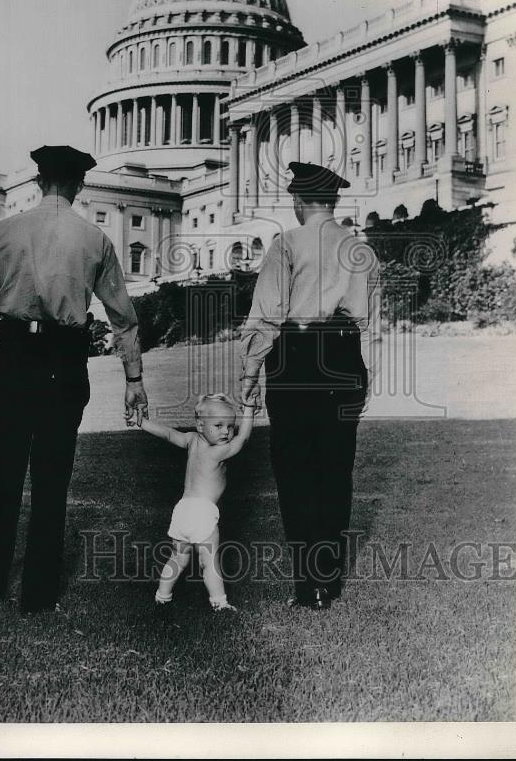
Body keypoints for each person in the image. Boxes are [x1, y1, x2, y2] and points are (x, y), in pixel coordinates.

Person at [0, 144, 148, 613]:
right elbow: (123, 317)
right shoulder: (95, 239)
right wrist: (134, 377)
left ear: (39, 181)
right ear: (80, 185)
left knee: (0, 474)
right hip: (64, 359)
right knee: (51, 475)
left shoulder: (4, 231)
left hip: (14, 356)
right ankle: (39, 594)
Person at [239, 161, 381, 611]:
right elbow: (370, 324)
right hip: (344, 358)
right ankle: (327, 580)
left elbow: (266, 315)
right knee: (335, 469)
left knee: (294, 468)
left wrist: (250, 373)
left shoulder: (286, 243)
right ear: (334, 201)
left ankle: (308, 584)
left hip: (296, 357)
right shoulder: (361, 249)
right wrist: (366, 377)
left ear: (298, 202)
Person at [133, 394, 255, 612]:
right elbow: (244, 438)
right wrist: (249, 408)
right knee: (209, 562)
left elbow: (169, 434)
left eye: (230, 426)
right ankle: (220, 603)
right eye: (218, 425)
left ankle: (162, 596)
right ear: (200, 425)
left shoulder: (191, 440)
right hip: (203, 512)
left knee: (178, 559)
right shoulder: (220, 451)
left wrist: (142, 422)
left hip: (182, 510)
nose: (226, 432)